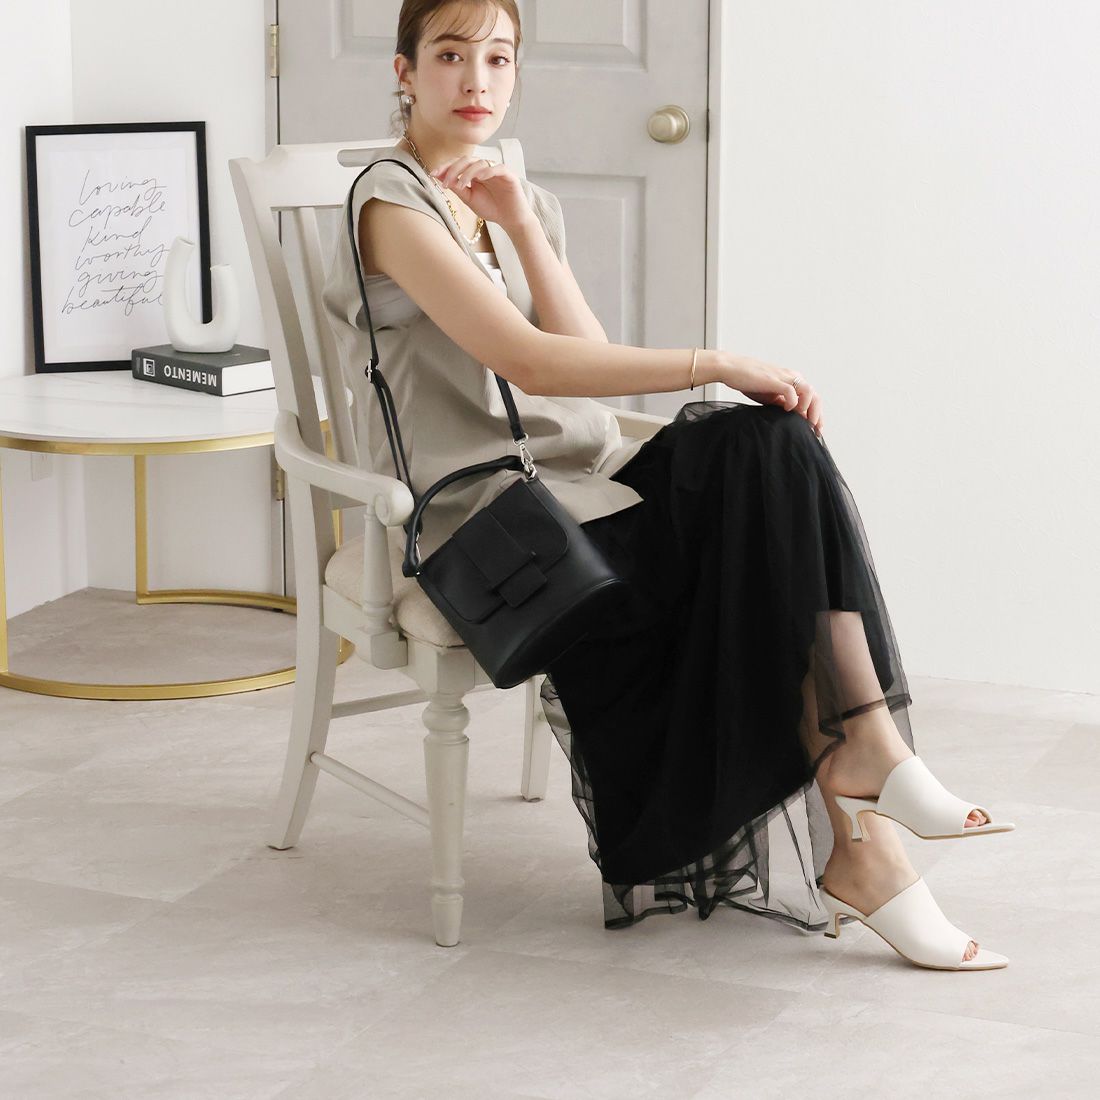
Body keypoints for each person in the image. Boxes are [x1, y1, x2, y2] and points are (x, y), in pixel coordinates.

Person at [321, 0, 1015, 971]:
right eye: (449, 54)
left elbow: (583, 358)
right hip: (496, 519)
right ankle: (868, 833)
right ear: (404, 71)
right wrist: (716, 359)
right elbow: (532, 362)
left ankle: (867, 766)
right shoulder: (392, 205)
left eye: (499, 56)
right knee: (762, 535)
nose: (476, 79)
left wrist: (520, 226)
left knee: (773, 446)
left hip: (583, 483)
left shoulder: (512, 198)